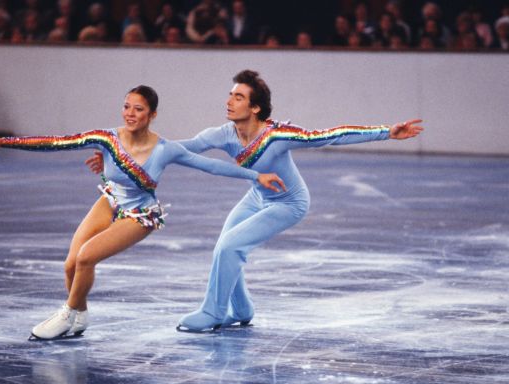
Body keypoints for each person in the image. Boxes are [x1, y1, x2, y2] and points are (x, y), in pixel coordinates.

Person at [88, 71, 422, 333]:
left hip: (288, 202)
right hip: (257, 196)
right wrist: (120, 156)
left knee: (230, 246)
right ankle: (241, 309)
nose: (229, 101)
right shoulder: (223, 134)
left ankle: (213, 312)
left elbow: (329, 136)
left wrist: (386, 132)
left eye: (238, 97)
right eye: (230, 94)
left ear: (256, 108)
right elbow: (173, 149)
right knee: (226, 244)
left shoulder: (277, 137)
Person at [0, 85, 286, 340]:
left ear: (152, 114)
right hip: (110, 201)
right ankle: (79, 316)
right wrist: (4, 142)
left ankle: (66, 315)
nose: (130, 114)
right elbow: (58, 142)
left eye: (139, 109)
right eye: (127, 107)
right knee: (70, 264)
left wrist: (256, 175)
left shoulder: (165, 149)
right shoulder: (107, 138)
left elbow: (211, 166)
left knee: (86, 258)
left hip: (140, 214)